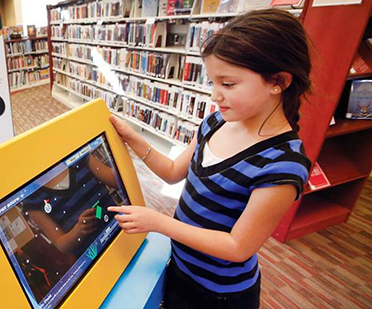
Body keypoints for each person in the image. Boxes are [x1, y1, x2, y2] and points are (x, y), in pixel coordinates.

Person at [108, 9, 312, 309]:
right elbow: (174, 171)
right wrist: (132, 138)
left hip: (219, 295)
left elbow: (237, 247)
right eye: (213, 83)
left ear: (278, 81)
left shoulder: (282, 164)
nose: (215, 96)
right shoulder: (215, 123)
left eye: (227, 84)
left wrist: (160, 223)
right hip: (180, 266)